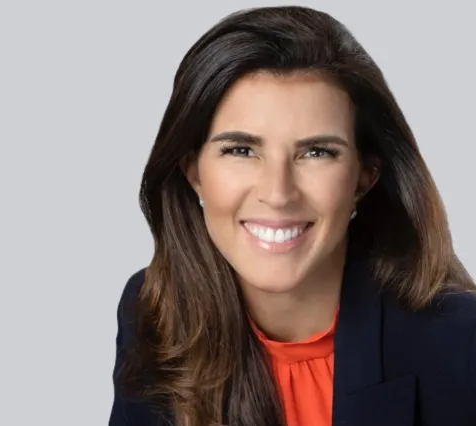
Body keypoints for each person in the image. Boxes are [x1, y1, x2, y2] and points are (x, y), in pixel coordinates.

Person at [108, 5, 476, 426]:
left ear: (364, 176)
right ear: (193, 171)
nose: (278, 193)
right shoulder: (155, 307)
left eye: (316, 152)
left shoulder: (459, 342)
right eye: (241, 150)